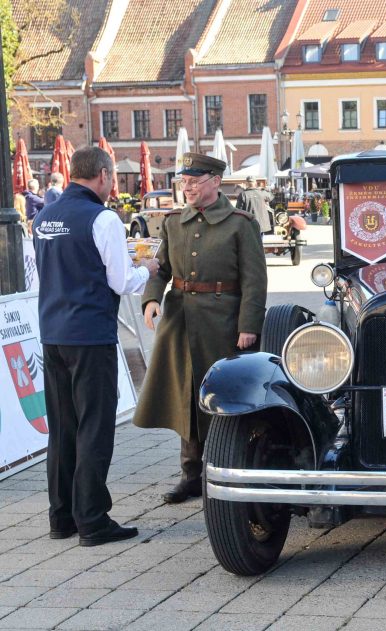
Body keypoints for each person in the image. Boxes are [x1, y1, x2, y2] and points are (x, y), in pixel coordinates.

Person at [33, 146, 159, 546]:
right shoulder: (102, 218)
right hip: (89, 334)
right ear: (104, 176)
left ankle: (62, 516)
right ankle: (92, 518)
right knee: (94, 427)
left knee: (62, 427)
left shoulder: (43, 216)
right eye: (114, 179)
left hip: (52, 333)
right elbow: (121, 282)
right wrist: (149, 270)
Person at [133, 152, 267, 504]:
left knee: (222, 397)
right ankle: (191, 474)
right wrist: (151, 299)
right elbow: (161, 268)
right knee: (185, 396)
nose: (187, 187)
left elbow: (255, 281)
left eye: (194, 181)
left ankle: (225, 469)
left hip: (222, 324)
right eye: (184, 181)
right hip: (180, 322)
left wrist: (248, 326)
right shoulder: (174, 221)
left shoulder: (240, 223)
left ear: (215, 181)